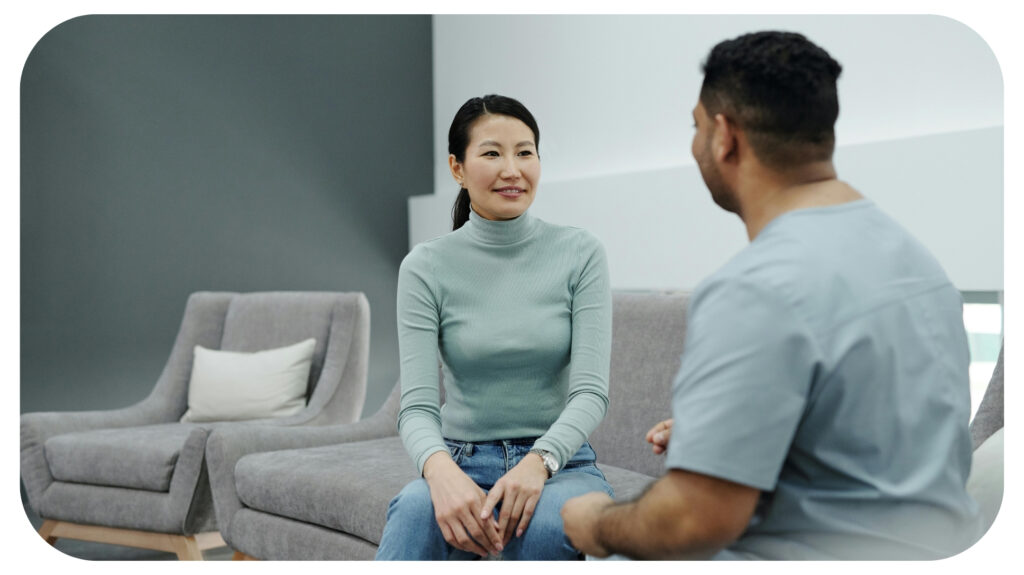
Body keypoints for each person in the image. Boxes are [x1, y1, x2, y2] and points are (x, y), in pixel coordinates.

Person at [561, 30, 983, 560]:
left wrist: (596, 523)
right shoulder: (920, 263)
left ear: (724, 135)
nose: (694, 145)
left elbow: (692, 520)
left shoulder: (756, 287)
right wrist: (719, 430)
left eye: (695, 126)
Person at [375, 94, 614, 560]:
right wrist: (439, 473)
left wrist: (538, 463)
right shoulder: (425, 266)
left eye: (525, 152)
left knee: (548, 523)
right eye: (491, 153)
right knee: (413, 512)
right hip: (461, 459)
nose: (512, 169)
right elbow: (418, 405)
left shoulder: (581, 252)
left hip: (560, 465)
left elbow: (591, 393)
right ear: (457, 168)